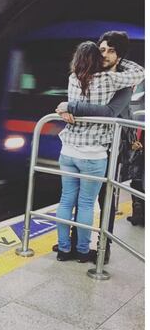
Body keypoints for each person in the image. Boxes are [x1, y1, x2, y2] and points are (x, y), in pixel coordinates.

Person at [55, 41, 144, 263]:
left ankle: (64, 250)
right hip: (93, 154)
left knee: (66, 201)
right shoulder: (109, 79)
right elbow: (139, 73)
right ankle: (84, 252)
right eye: (102, 51)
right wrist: (121, 60)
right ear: (96, 58)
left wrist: (67, 107)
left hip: (68, 151)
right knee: (86, 204)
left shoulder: (73, 77)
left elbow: (74, 104)